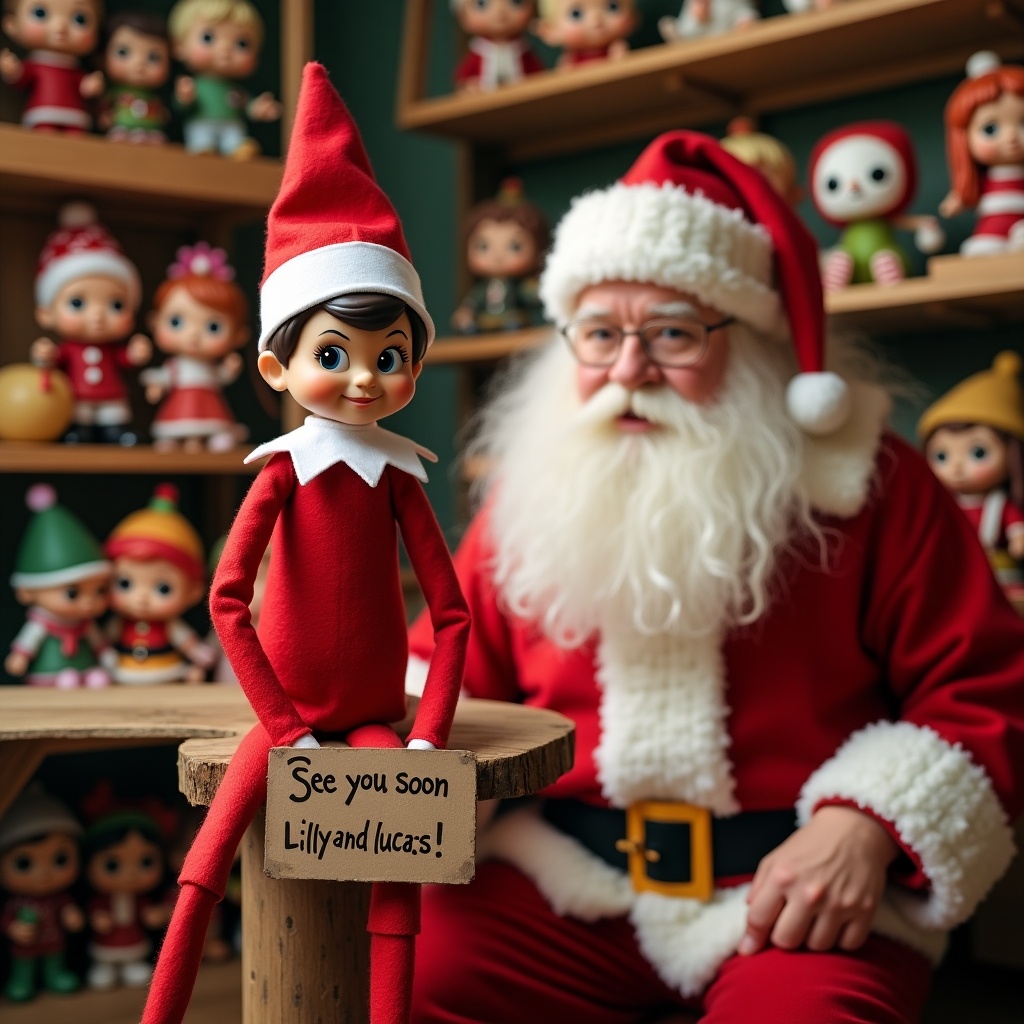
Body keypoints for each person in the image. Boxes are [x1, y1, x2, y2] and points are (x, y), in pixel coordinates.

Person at [408, 131, 1024, 1023]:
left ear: (755, 343)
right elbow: (447, 676)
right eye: (599, 333)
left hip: (792, 894)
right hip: (560, 877)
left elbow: (984, 691)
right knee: (404, 979)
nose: (627, 369)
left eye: (671, 332)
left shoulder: (877, 486)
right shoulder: (531, 492)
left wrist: (867, 826)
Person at [141, 63, 469, 1024]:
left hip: (374, 711)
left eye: (388, 358)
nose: (364, 379)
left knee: (397, 866)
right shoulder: (280, 471)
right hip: (282, 714)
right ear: (279, 364)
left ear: (413, 367)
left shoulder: (401, 476)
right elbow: (226, 599)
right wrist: (282, 727)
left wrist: (424, 734)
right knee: (204, 872)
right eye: (335, 356)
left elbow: (451, 615)